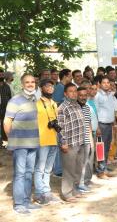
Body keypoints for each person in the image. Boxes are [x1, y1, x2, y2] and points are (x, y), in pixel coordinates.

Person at [4, 74, 40, 214]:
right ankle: (19, 204)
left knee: (29, 173)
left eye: (32, 82)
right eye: (27, 82)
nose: (30, 84)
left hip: (33, 143)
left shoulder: (33, 98)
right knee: (20, 174)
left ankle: (26, 201)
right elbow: (7, 122)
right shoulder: (15, 100)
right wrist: (12, 140)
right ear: (22, 84)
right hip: (20, 144)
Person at [57, 83, 85, 202]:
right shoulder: (63, 108)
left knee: (77, 168)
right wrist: (63, 142)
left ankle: (74, 189)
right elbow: (60, 127)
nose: (74, 93)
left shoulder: (77, 105)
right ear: (65, 93)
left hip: (79, 141)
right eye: (71, 91)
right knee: (68, 169)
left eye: (75, 91)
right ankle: (66, 193)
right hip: (69, 143)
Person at [34, 79, 60, 205]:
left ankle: (47, 192)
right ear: (41, 88)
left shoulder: (54, 104)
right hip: (42, 140)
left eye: (51, 86)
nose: (50, 88)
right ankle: (39, 194)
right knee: (40, 168)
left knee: (48, 168)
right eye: (47, 86)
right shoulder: (37, 103)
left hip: (53, 139)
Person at [95, 76, 117, 178]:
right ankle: (100, 171)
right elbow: (95, 111)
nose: (106, 84)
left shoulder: (110, 95)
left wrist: (116, 119)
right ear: (100, 84)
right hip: (101, 125)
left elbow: (114, 109)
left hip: (109, 124)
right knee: (101, 148)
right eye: (104, 82)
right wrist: (97, 127)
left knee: (106, 148)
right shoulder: (97, 96)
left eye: (108, 83)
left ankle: (104, 168)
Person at [76, 87, 93, 193]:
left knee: (84, 163)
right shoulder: (74, 107)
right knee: (75, 164)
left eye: (85, 95)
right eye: (80, 95)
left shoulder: (87, 107)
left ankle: (81, 184)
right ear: (77, 96)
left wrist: (91, 141)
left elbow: (89, 124)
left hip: (86, 140)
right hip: (76, 141)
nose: (83, 97)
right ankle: (75, 185)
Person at [0, 69, 12, 147]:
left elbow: (10, 98)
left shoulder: (6, 86)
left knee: (4, 126)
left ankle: (5, 143)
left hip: (5, 109)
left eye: (2, 74)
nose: (1, 76)